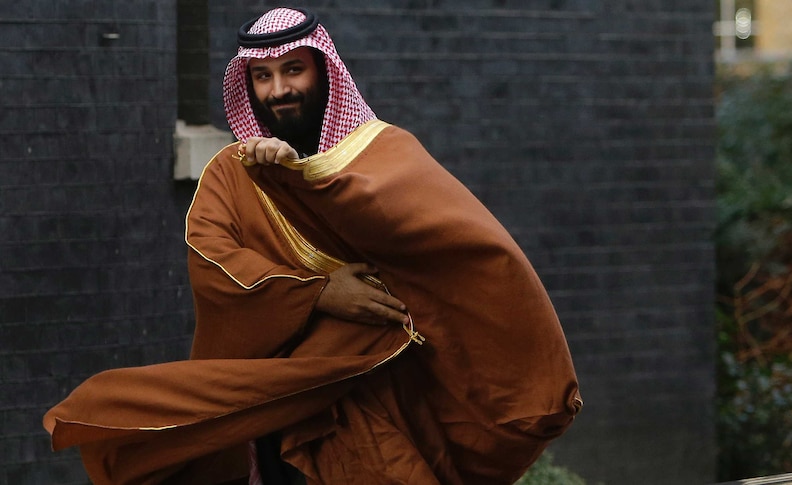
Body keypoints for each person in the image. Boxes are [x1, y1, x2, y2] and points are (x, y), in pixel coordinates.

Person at [44, 7, 582, 485]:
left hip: (384, 393)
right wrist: (319, 293)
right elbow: (212, 257)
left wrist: (300, 180)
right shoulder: (232, 175)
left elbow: (461, 251)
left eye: (293, 70)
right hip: (282, 409)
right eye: (262, 76)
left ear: (324, 71)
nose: (279, 89)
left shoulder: (388, 154)